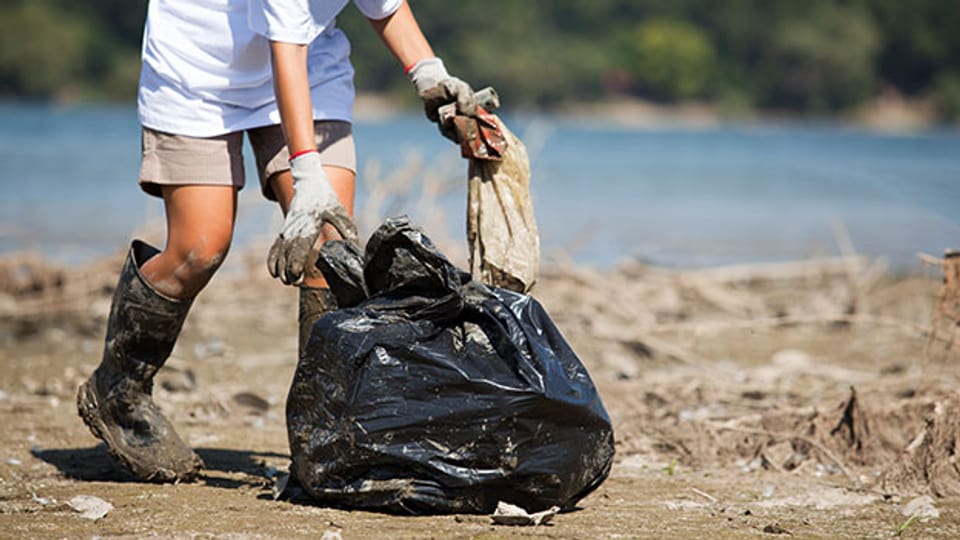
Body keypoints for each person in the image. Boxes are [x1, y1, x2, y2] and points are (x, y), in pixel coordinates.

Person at [76, 0, 478, 483]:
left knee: (332, 249)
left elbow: (384, 6)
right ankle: (119, 391)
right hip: (200, 70)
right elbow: (282, 44)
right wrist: (306, 175)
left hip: (310, 64)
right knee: (198, 249)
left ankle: (325, 440)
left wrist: (430, 76)